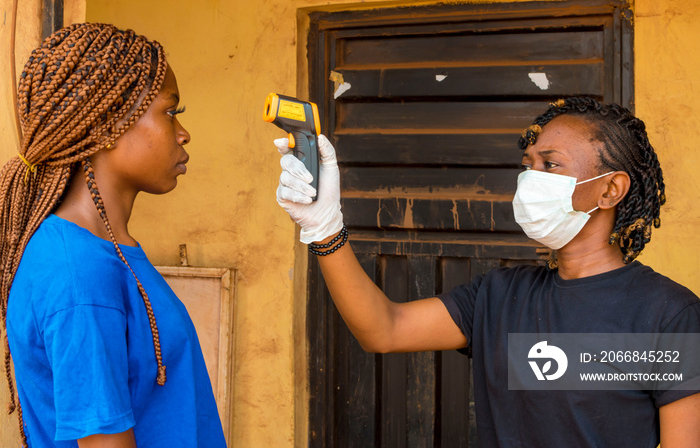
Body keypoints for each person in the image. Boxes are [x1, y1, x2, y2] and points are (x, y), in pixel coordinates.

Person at [275, 97, 700, 447]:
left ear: (610, 189)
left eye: (550, 165)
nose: (531, 178)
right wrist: (325, 229)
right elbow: (384, 329)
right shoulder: (498, 296)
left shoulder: (667, 314)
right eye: (528, 164)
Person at [0, 23, 226, 447]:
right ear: (109, 122)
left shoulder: (106, 251)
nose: (183, 132)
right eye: (170, 111)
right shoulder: (77, 271)